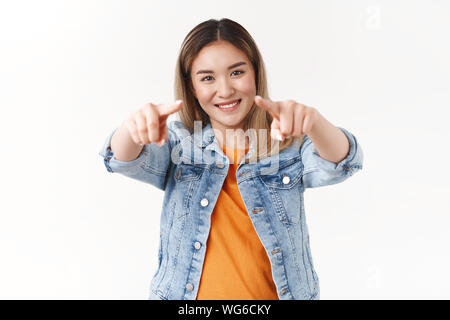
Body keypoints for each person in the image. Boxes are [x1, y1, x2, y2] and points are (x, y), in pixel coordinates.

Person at [99, 18, 363, 300]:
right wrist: (132, 127)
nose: (225, 90)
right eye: (207, 78)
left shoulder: (287, 145)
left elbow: (343, 162)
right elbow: (121, 159)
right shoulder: (179, 143)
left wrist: (314, 122)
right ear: (191, 87)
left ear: (255, 72)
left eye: (236, 72)